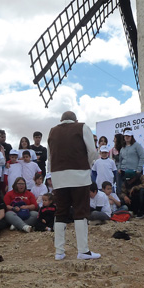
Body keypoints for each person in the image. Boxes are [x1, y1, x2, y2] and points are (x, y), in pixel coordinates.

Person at [47, 111, 100, 260]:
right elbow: (92, 151)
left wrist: (52, 174)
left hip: (58, 177)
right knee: (80, 211)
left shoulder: (52, 131)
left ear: (61, 120)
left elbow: (49, 156)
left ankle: (59, 252)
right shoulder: (82, 127)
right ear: (75, 120)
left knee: (61, 212)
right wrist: (86, 165)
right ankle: (83, 251)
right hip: (79, 176)